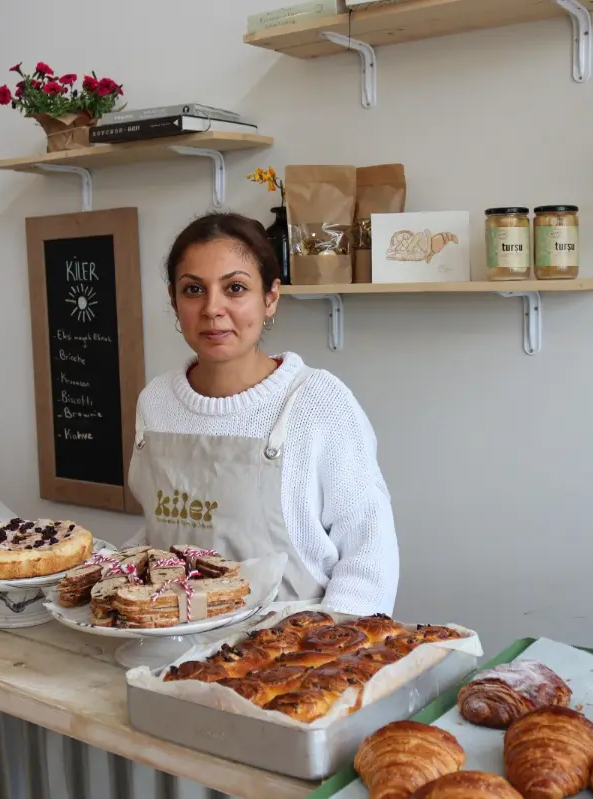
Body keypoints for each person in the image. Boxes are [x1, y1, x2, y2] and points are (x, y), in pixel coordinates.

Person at [127, 212, 399, 615]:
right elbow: (158, 533)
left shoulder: (317, 402)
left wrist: (327, 649)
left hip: (290, 653)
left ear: (270, 297)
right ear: (174, 300)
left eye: (235, 288)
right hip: (170, 644)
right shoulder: (156, 402)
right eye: (193, 290)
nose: (212, 309)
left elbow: (369, 555)